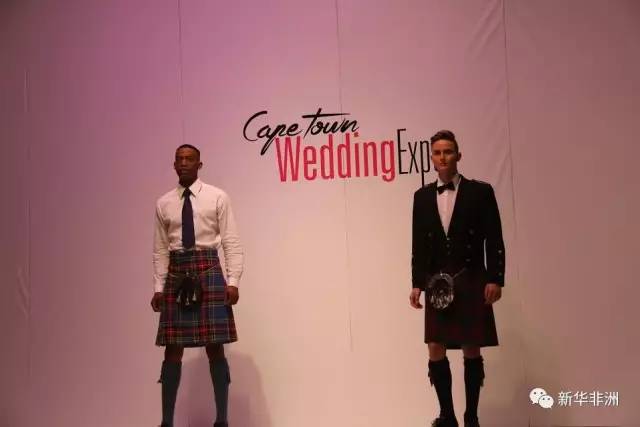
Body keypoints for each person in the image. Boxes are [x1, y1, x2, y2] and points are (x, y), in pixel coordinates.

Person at [409, 130, 505, 427]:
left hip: (471, 277)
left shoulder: (480, 192)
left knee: (471, 345)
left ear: (458, 155)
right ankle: (447, 416)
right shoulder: (421, 197)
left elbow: (494, 238)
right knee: (435, 346)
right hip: (436, 282)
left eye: (448, 151)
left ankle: (471, 417)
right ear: (431, 158)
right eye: (437, 152)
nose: (443, 157)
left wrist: (496, 278)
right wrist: (416, 283)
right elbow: (418, 245)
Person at [151, 144, 243, 427]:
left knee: (215, 347)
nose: (184, 163)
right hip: (177, 273)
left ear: (199, 164)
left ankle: (222, 421)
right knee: (172, 348)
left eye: (189, 159)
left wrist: (233, 281)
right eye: (179, 159)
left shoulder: (217, 197)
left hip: (209, 270)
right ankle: (166, 423)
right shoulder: (164, 203)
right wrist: (158, 287)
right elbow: (160, 249)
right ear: (174, 165)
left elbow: (231, 241)